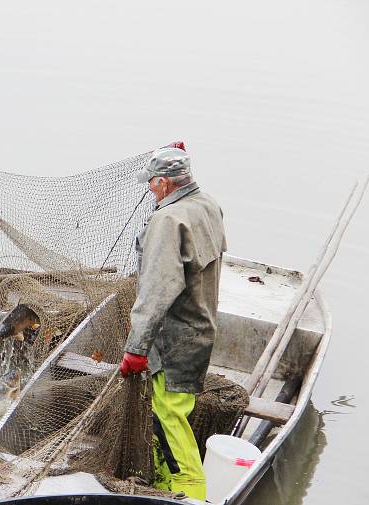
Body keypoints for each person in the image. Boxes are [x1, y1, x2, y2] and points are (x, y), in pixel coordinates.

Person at [119, 147, 226, 500]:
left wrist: (136, 348)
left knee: (171, 422)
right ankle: (164, 486)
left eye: (151, 184)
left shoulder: (166, 222)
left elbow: (155, 291)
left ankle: (191, 493)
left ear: (164, 183)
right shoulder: (207, 204)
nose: (149, 190)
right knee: (169, 418)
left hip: (175, 339)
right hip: (201, 328)